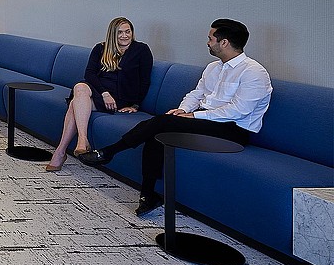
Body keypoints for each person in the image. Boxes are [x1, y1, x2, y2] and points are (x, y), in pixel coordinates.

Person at [79, 19, 272, 216]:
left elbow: (239, 111)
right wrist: (182, 110)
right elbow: (196, 94)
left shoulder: (254, 72)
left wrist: (194, 116)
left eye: (210, 38)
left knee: (161, 123)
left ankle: (109, 152)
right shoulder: (213, 68)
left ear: (224, 43)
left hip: (234, 131)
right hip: (207, 122)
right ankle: (148, 196)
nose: (207, 42)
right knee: (159, 131)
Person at [46, 17, 153, 171]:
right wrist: (104, 93)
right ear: (112, 35)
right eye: (120, 33)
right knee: (80, 88)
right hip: (99, 91)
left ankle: (60, 152)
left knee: (75, 105)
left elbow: (145, 81)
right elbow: (89, 74)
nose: (124, 36)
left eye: (128, 32)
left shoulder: (141, 50)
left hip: (120, 98)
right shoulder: (101, 48)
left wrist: (135, 105)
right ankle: (82, 140)